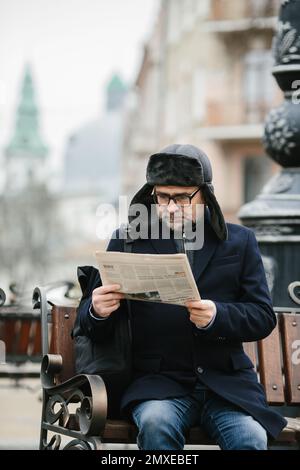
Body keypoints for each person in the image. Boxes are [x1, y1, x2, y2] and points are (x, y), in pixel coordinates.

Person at [76, 144, 287, 450]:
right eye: (163, 197)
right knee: (156, 424)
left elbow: (262, 317)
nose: (171, 207)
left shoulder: (240, 241)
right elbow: (90, 325)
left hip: (227, 387)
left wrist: (217, 315)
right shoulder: (128, 240)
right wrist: (98, 310)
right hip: (158, 386)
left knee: (250, 438)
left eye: (182, 197)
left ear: (205, 194)